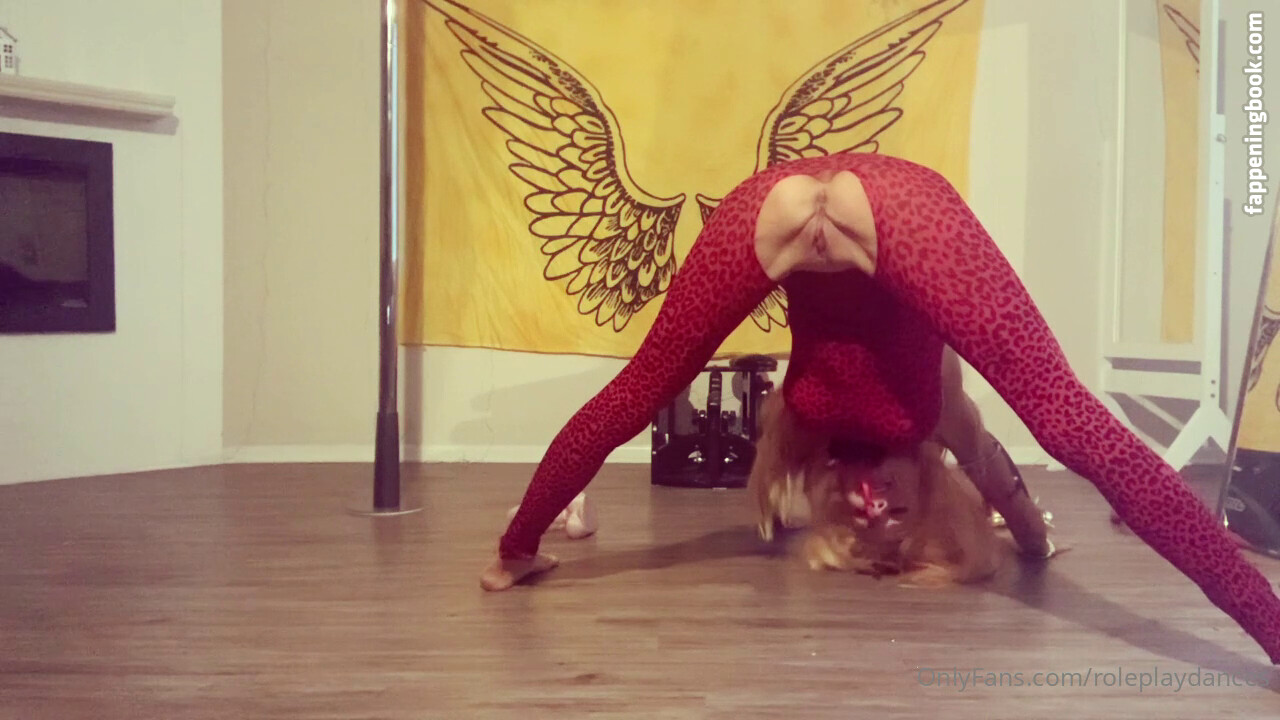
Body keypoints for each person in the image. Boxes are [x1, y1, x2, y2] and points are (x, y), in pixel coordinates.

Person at [481, 152, 1280, 664]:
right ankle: (1273, 627)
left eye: (863, 521)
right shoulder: (937, 419)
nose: (874, 504)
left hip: (778, 207)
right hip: (898, 209)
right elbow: (1004, 477)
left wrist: (520, 546)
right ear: (932, 489)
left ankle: (513, 549)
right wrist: (1032, 539)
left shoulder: (801, 435)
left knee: (642, 387)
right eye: (898, 517)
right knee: (1066, 418)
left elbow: (1001, 477)